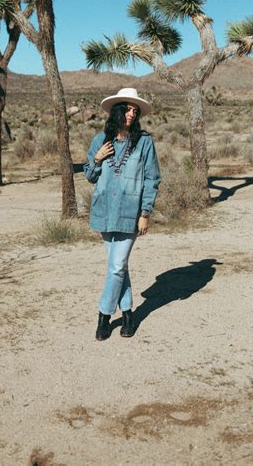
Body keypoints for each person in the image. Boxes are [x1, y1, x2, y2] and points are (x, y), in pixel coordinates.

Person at [84, 88, 161, 340]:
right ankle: (128, 312)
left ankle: (104, 316)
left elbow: (151, 179)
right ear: (117, 111)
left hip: (130, 211)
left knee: (116, 267)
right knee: (119, 267)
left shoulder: (144, 142)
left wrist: (145, 213)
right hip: (104, 209)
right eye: (127, 109)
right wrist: (96, 159)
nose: (131, 114)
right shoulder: (100, 141)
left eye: (134, 111)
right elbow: (89, 176)